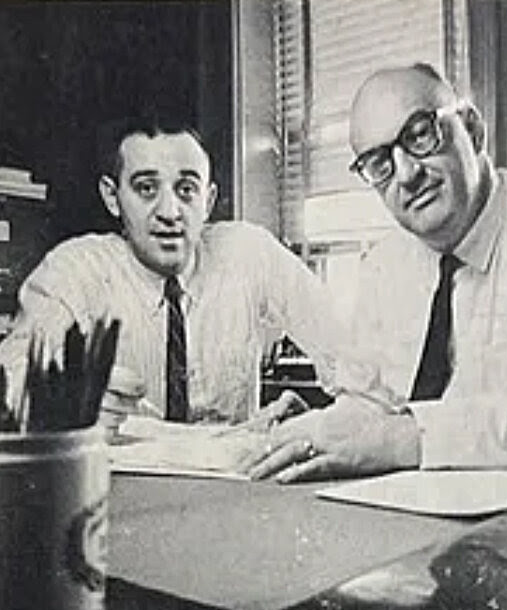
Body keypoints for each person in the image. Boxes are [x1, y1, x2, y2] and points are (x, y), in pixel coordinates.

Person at [245, 63, 507, 482]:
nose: (406, 175)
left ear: (473, 130)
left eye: (421, 135)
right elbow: (369, 406)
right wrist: (313, 432)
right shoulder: (383, 266)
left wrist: (412, 439)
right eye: (379, 163)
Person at [0, 116, 352, 427]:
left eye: (186, 190)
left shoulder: (249, 253)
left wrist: (329, 421)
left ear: (209, 201)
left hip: (230, 490)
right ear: (112, 197)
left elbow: (352, 353)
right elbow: (13, 375)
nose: (170, 211)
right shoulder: (74, 270)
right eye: (146, 188)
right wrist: (64, 399)